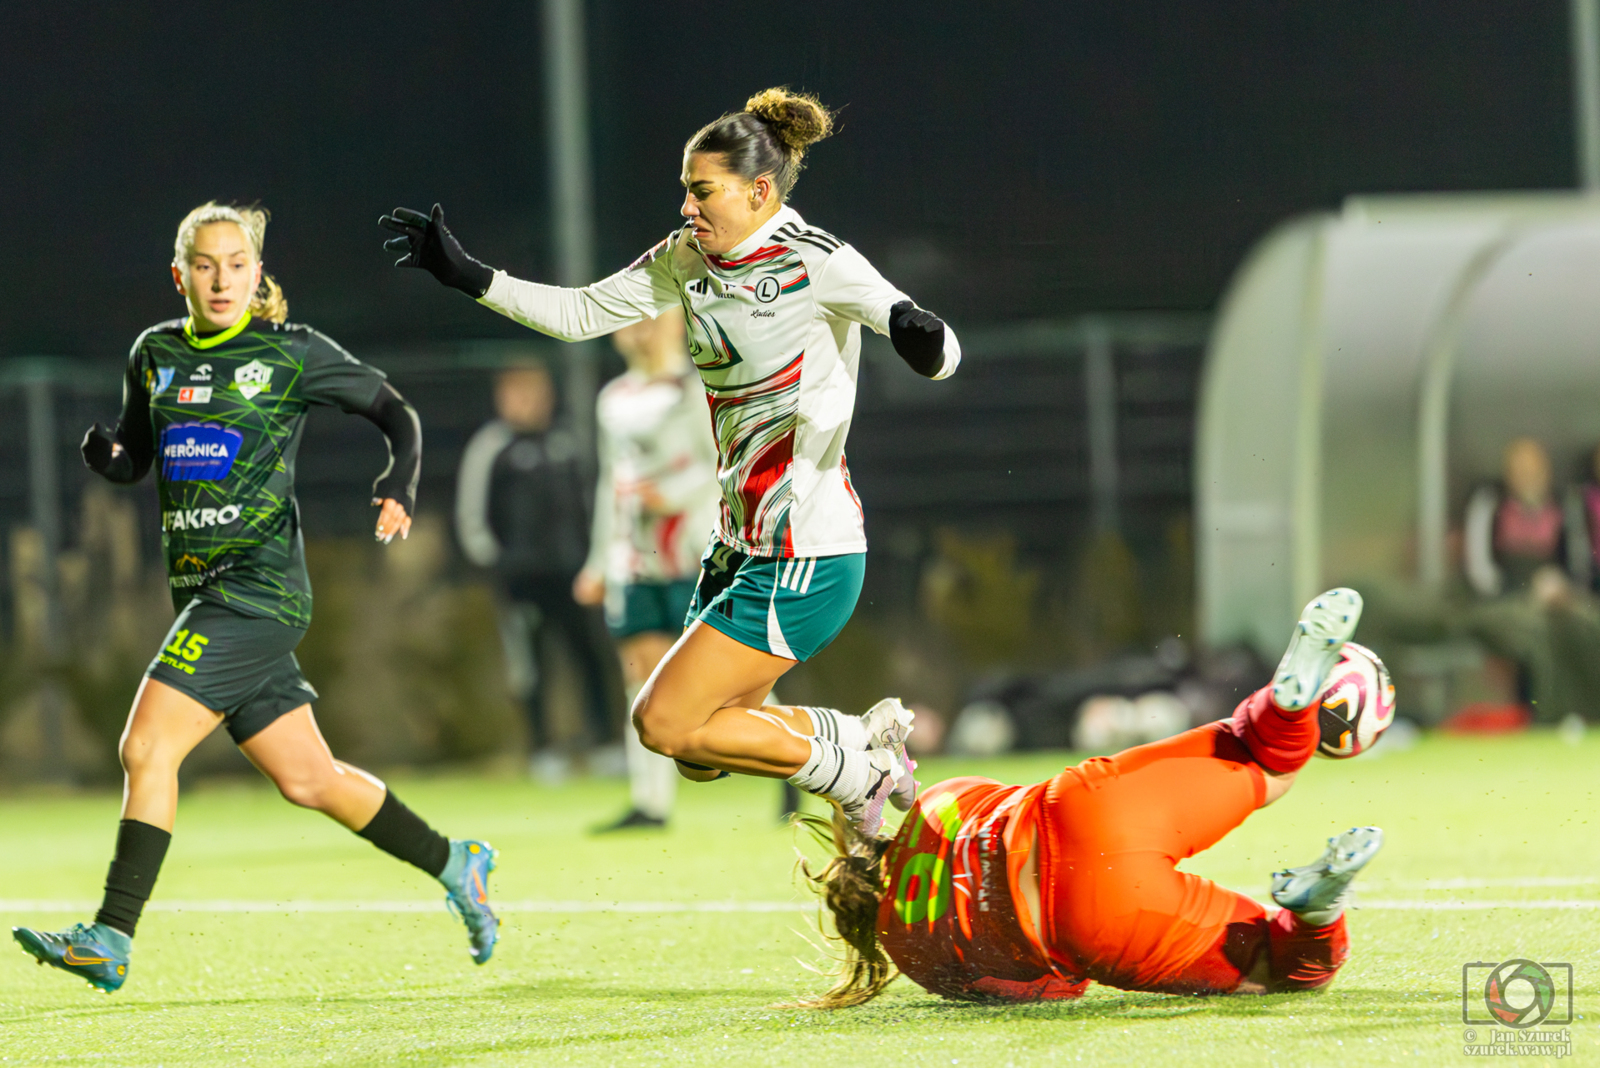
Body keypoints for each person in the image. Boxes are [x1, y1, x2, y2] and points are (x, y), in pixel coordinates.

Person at [382, 88, 961, 835]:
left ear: (759, 192)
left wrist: (922, 338)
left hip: (805, 549)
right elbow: (584, 312)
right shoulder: (688, 257)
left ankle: (864, 769)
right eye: (685, 189)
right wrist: (469, 276)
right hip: (736, 546)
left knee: (662, 722)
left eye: (702, 190)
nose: (687, 206)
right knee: (697, 751)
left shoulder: (816, 261)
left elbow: (938, 349)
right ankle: (856, 740)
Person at [10, 202, 498, 994]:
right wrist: (110, 459)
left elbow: (394, 412)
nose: (223, 278)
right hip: (202, 596)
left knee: (146, 749)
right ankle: (456, 863)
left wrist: (396, 483)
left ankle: (111, 935)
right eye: (206, 264)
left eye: (238, 263)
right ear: (181, 275)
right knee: (309, 780)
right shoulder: (154, 353)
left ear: (257, 272)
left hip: (258, 594)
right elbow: (140, 456)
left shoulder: (289, 354)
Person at [793, 588, 1384, 1006]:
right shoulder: (932, 803)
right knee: (1257, 759)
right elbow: (1007, 797)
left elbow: (1027, 988)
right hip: (1081, 807)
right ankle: (1291, 703)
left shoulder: (908, 951)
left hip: (1085, 917)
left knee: (1276, 968)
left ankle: (1315, 909)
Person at [573, 310, 721, 829]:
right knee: (641, 677)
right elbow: (610, 483)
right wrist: (597, 562)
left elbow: (721, 463)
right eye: (628, 320)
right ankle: (651, 803)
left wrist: (673, 495)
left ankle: (793, 775)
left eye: (651, 319)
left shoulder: (700, 385)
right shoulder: (613, 399)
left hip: (692, 551)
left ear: (677, 324)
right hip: (634, 561)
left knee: (723, 672)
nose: (639, 329)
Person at [455, 357, 622, 779]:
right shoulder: (492, 448)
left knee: (590, 657)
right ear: (502, 398)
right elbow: (472, 517)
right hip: (522, 583)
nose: (529, 402)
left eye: (536, 392)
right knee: (530, 667)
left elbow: (592, 503)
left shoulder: (566, 442)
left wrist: (594, 559)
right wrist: (501, 565)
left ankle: (604, 745)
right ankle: (543, 751)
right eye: (518, 393)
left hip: (574, 577)